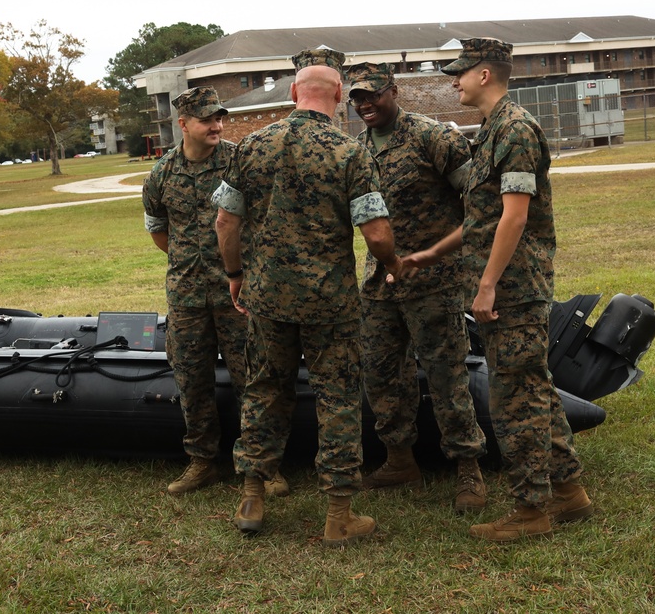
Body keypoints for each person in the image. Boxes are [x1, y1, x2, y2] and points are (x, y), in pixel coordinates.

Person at [213, 48, 402, 546]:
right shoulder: (350, 152)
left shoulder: (249, 146)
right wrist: (393, 266)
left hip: (267, 298)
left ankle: (252, 494)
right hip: (330, 303)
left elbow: (224, 221)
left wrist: (236, 274)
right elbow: (378, 234)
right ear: (338, 97)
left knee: (263, 391)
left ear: (294, 93)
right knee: (337, 398)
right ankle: (339, 515)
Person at [406, 38, 593, 542]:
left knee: (514, 399)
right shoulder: (491, 131)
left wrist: (486, 286)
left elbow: (515, 214)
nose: (454, 81)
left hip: (512, 289)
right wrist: (432, 253)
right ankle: (568, 492)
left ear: (484, 74)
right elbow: (483, 215)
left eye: (460, 73)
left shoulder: (514, 130)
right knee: (532, 388)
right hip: (501, 285)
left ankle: (531, 512)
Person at [346, 62, 487, 513]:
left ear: (393, 91)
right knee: (383, 375)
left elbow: (479, 202)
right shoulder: (357, 150)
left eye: (372, 95)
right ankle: (400, 459)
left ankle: (468, 467)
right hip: (379, 283)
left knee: (447, 375)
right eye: (356, 99)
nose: (365, 104)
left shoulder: (433, 137)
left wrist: (442, 253)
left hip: (434, 281)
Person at [143, 86, 288, 497]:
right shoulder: (162, 173)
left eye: (219, 117)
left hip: (239, 295)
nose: (216, 125)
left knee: (253, 381)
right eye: (207, 119)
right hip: (187, 297)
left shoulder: (239, 161)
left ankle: (263, 467)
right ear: (183, 124)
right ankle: (203, 461)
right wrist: (189, 262)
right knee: (192, 380)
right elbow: (157, 228)